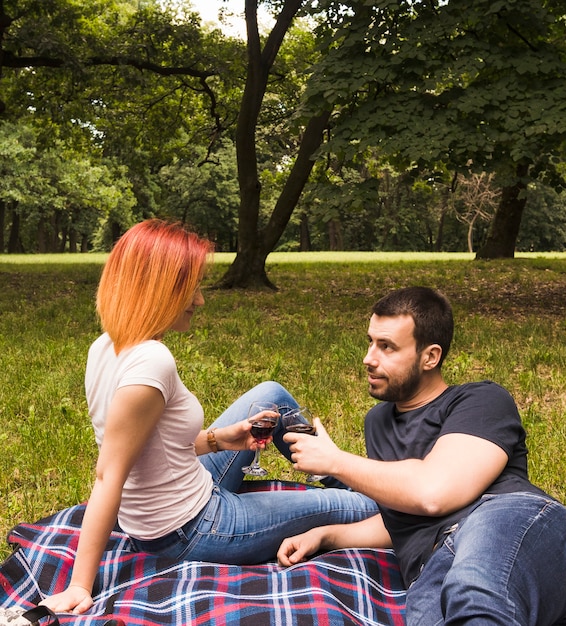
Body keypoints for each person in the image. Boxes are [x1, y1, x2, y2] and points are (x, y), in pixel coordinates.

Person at [40, 219, 377, 616]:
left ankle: (335, 469)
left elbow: (153, 446)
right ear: (159, 289)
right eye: (190, 288)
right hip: (192, 529)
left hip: (185, 491)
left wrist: (221, 439)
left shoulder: (105, 346)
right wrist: (80, 584)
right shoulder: (152, 362)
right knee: (363, 507)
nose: (199, 300)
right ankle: (363, 487)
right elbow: (108, 476)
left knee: (270, 394)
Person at [278, 286, 566, 626]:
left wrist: (335, 461)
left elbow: (433, 494)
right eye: (370, 342)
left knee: (476, 597)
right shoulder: (378, 422)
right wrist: (326, 536)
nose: (368, 358)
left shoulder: (481, 400)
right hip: (432, 567)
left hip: (510, 526)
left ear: (430, 357)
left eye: (387, 347)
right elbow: (402, 518)